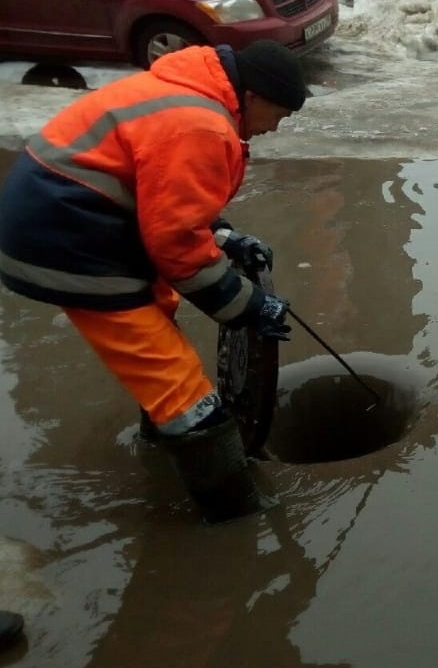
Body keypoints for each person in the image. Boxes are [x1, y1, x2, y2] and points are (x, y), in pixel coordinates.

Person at [0, 40, 306, 523]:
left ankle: (162, 438)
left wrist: (225, 236)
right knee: (177, 382)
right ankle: (235, 516)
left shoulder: (190, 91)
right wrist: (247, 306)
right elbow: (178, 248)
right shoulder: (201, 123)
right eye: (279, 114)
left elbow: (168, 195)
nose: (274, 127)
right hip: (69, 238)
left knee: (158, 316)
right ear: (252, 97)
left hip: (78, 219)